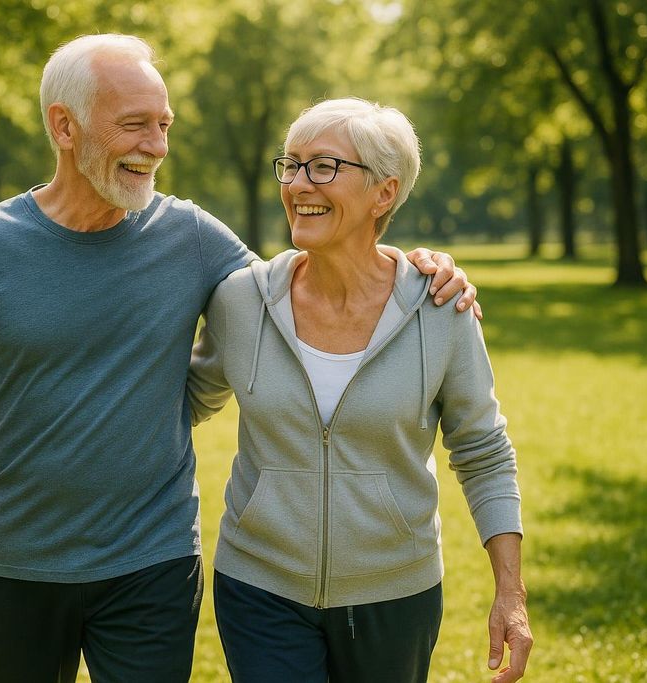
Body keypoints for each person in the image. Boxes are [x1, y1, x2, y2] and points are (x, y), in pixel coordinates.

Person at [0, 35, 478, 683]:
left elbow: (304, 282)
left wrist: (414, 270)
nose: (158, 145)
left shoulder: (192, 238)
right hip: (11, 556)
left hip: (153, 557)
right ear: (64, 125)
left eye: (164, 125)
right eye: (135, 124)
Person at [187, 97, 532, 683]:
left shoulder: (441, 309)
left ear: (384, 192)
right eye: (291, 165)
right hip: (259, 584)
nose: (299, 184)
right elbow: (181, 399)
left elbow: (483, 451)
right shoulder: (241, 301)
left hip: (395, 590)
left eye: (324, 166)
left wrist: (511, 591)